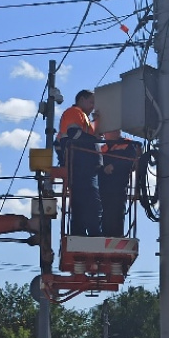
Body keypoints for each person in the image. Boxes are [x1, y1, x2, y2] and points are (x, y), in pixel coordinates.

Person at [58, 89, 102, 237]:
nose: (93, 106)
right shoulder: (74, 112)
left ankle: (80, 234)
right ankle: (93, 233)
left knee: (81, 201)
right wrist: (94, 139)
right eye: (91, 102)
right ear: (82, 100)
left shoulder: (84, 117)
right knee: (91, 201)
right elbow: (74, 134)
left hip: (83, 166)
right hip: (80, 165)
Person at [99, 130, 141, 237]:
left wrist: (114, 166)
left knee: (116, 212)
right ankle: (104, 235)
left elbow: (131, 161)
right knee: (103, 212)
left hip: (118, 185)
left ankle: (116, 236)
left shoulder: (128, 145)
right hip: (103, 186)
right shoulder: (103, 147)